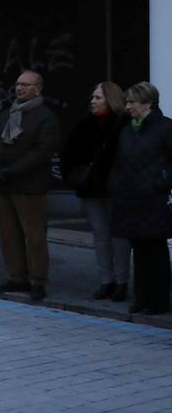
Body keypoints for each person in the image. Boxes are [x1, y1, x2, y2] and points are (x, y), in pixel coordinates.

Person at [0, 70, 60, 301]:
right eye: (18, 84)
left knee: (34, 236)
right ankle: (16, 277)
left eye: (25, 85)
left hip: (29, 186)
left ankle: (37, 280)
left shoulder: (45, 117)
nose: (19, 88)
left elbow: (42, 152)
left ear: (38, 89)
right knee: (8, 235)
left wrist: (13, 170)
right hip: (3, 184)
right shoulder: (6, 114)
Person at [61, 81, 129, 301]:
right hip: (90, 188)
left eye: (98, 97)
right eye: (92, 97)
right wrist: (72, 177)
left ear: (111, 99)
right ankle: (106, 280)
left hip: (115, 189)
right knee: (100, 235)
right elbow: (68, 154)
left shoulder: (123, 123)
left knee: (119, 236)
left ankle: (122, 281)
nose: (93, 101)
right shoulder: (84, 124)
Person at [109, 82, 172, 315]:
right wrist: (116, 184)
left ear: (147, 103)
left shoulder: (165, 128)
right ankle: (142, 297)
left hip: (153, 199)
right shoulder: (127, 130)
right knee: (139, 250)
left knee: (155, 249)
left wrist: (160, 181)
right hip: (129, 198)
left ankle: (159, 300)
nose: (127, 107)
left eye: (132, 102)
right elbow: (119, 162)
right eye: (127, 102)